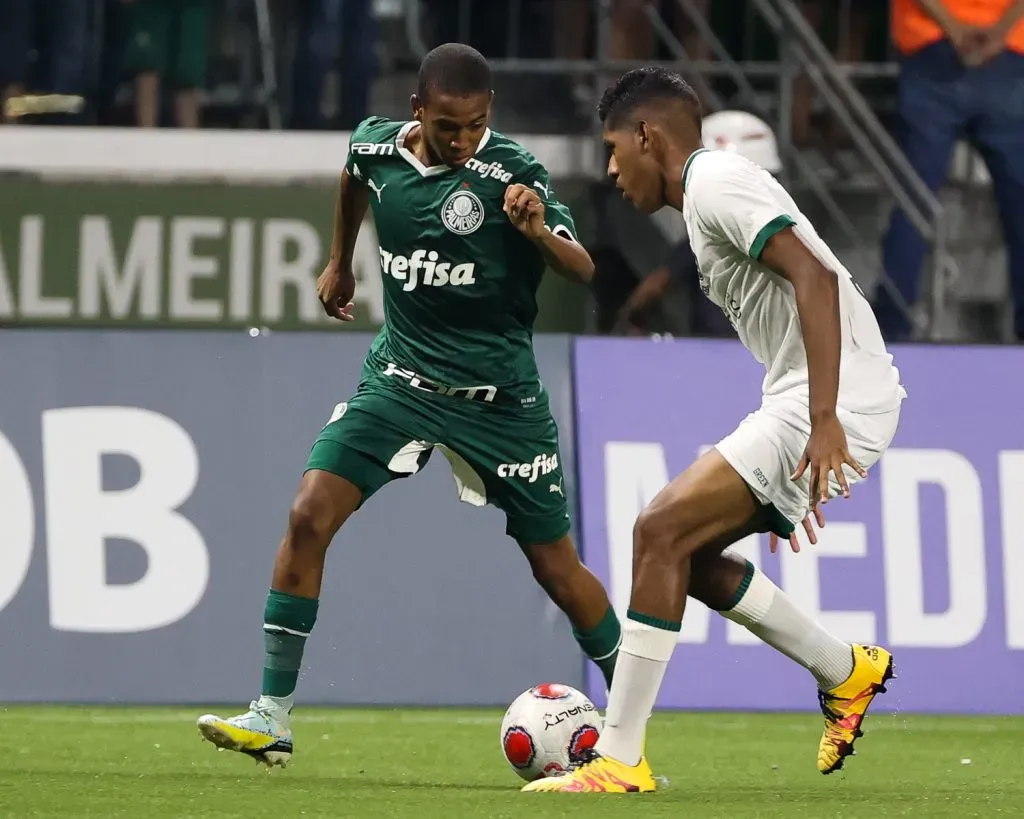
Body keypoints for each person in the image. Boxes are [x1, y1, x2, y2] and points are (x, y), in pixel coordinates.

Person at [195, 43, 622, 768]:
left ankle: (631, 722)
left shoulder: (514, 173)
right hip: (400, 381)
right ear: (418, 112)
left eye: (478, 125)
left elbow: (583, 269)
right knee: (307, 515)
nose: (464, 141)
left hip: (499, 402)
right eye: (450, 126)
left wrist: (537, 232)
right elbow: (353, 176)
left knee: (557, 567)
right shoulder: (376, 144)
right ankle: (271, 716)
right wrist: (340, 260)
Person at [524, 67, 906, 794]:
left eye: (613, 148)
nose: (610, 168)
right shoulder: (702, 208)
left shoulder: (716, 182)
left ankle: (619, 757)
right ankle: (846, 669)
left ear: (647, 135)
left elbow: (816, 281)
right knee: (687, 554)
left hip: (832, 396)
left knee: (657, 530)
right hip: (811, 394)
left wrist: (823, 423)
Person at [879, 0, 1024, 342]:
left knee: (915, 200)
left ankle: (891, 325)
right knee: (1020, 203)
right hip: (1008, 50)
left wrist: (955, 30)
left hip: (932, 45)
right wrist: (1000, 33)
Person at [618, 110, 783, 337]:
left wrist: (631, 319)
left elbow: (650, 291)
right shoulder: (787, 239)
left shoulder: (707, 240)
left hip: (716, 357)